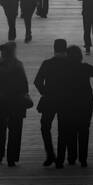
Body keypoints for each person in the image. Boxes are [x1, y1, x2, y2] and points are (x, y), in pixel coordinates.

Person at [0, 41, 31, 167]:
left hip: (0, 101)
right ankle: (12, 158)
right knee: (15, 130)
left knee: (1, 129)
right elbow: (24, 85)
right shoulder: (18, 66)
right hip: (16, 102)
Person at [34, 38, 70, 167]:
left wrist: (45, 93)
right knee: (63, 129)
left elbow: (37, 81)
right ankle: (60, 158)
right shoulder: (70, 64)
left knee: (45, 127)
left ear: (54, 49)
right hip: (66, 101)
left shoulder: (47, 63)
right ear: (66, 49)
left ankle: (50, 154)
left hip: (49, 100)